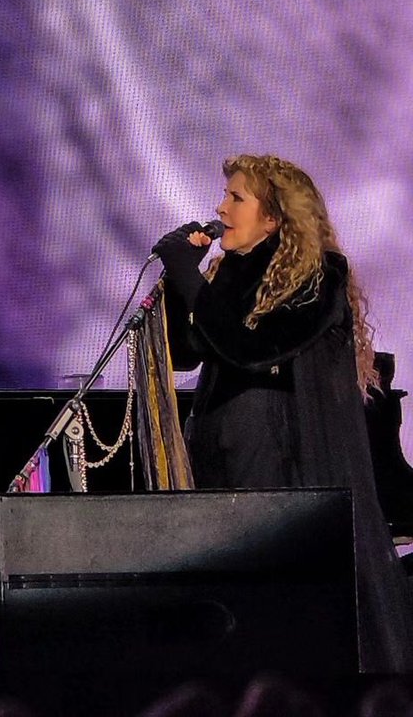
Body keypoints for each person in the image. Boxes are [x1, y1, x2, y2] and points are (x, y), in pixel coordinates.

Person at [153, 153, 413, 673]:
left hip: (269, 444)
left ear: (273, 218)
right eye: (224, 195)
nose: (220, 207)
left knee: (267, 582)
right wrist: (185, 279)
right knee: (229, 581)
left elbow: (250, 349)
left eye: (236, 198)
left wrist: (189, 277)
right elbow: (189, 350)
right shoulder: (231, 271)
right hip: (217, 433)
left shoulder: (318, 274)